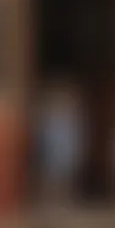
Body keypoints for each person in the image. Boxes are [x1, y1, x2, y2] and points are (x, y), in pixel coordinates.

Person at [35, 84, 83, 212]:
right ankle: (49, 201)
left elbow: (74, 135)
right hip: (53, 148)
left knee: (64, 176)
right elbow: (44, 134)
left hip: (64, 149)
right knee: (50, 175)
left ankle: (62, 201)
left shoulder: (71, 117)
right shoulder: (50, 116)